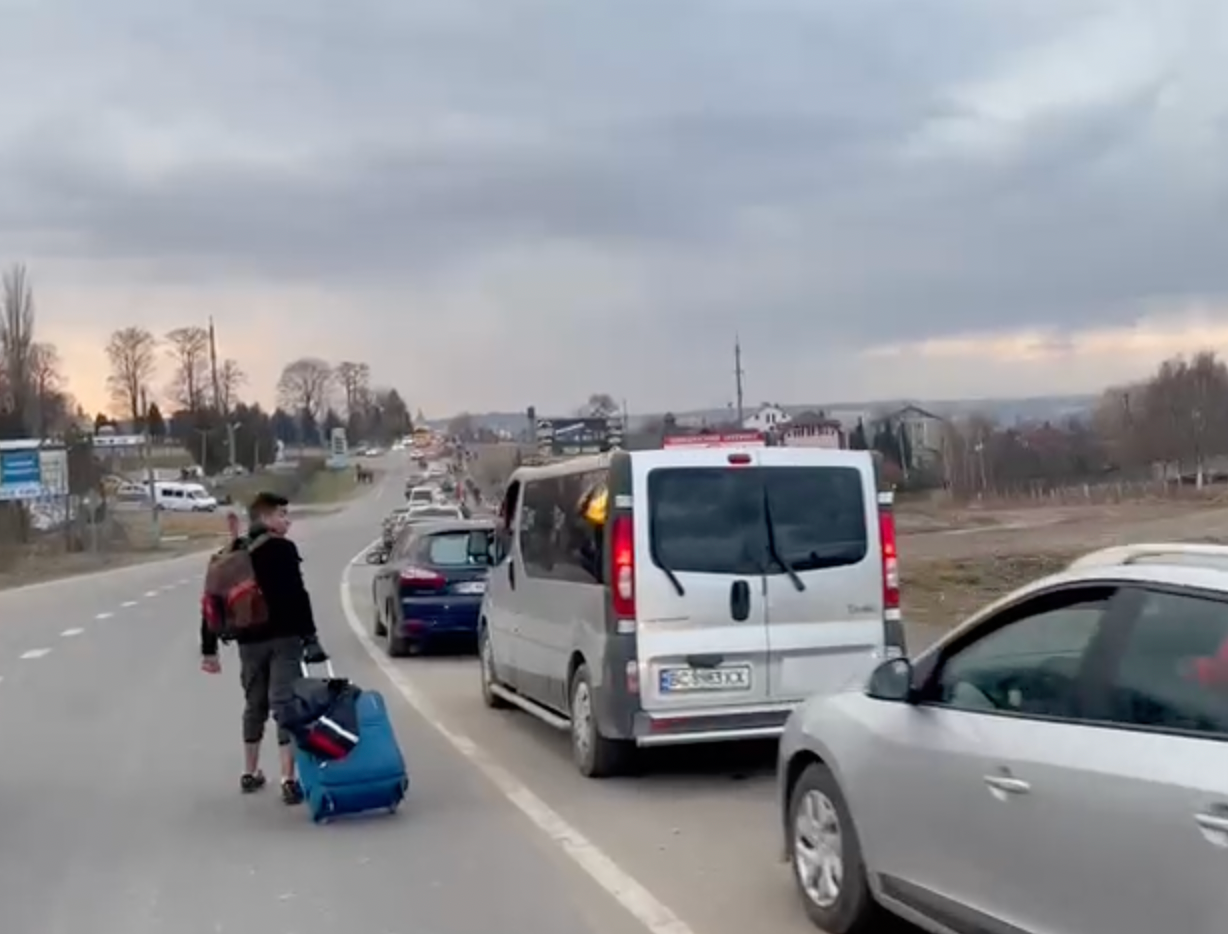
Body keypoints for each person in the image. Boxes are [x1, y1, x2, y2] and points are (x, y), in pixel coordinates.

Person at [200, 492, 328, 805]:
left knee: (254, 704)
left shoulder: (234, 553)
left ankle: (250, 772)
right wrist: (311, 638)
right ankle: (288, 778)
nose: (288, 520)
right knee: (284, 703)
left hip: (248, 642)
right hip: (284, 639)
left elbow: (212, 601)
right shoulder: (283, 549)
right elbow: (298, 596)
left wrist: (209, 649)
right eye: (283, 514)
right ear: (266, 518)